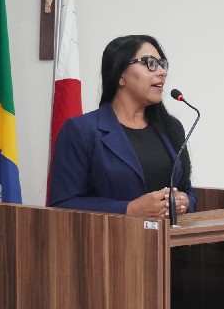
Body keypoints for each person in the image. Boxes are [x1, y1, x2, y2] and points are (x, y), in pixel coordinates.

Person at [49, 35, 197, 218]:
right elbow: (62, 205)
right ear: (120, 75)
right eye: (150, 63)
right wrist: (128, 209)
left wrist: (186, 201)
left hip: (170, 236)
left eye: (162, 64)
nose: (161, 72)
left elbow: (187, 189)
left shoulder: (172, 128)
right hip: (111, 236)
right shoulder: (81, 131)